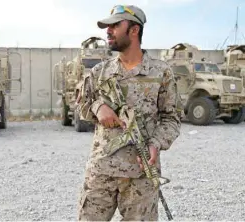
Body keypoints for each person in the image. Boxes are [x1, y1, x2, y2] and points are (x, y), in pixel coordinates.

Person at [77, 5, 181, 221]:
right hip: (101, 170)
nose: (108, 31)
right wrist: (99, 108)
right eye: (108, 26)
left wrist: (155, 143)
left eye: (115, 25)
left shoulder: (161, 72)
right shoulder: (100, 72)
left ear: (134, 30)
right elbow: (82, 104)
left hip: (140, 175)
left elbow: (171, 118)